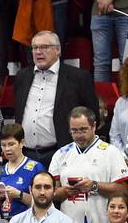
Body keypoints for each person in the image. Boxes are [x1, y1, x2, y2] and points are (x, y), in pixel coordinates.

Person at [13, 32, 98, 167]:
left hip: (62, 153)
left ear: (57, 50)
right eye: (35, 48)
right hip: (26, 154)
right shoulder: (22, 76)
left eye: (44, 47)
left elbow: (92, 115)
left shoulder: (79, 77)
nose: (38, 52)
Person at [0, 125, 44, 221]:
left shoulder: (36, 168)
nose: (7, 149)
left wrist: (20, 195)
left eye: (11, 144)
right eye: (3, 145)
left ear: (21, 143)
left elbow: (43, 204)